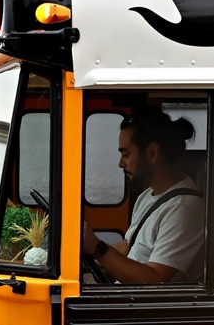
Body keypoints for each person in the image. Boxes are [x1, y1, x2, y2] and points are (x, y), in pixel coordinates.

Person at [82, 107, 205, 283]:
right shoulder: (148, 196)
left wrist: (97, 247)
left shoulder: (185, 208)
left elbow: (155, 278)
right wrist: (81, 259)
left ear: (152, 153)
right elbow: (127, 246)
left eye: (126, 154)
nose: (120, 164)